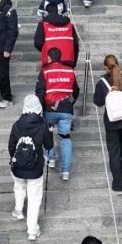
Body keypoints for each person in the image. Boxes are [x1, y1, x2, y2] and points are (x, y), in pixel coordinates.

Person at [8, 94, 55, 240]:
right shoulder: (43, 125)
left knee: (19, 186)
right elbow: (49, 146)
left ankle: (18, 210)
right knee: (34, 198)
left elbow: (11, 146)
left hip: (17, 167)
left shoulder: (16, 125)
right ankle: (32, 230)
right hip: (35, 168)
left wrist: (17, 159)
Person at [92, 54, 122, 194]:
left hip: (112, 121)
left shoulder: (102, 83)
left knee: (113, 152)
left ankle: (117, 185)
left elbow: (98, 102)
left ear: (106, 68)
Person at [36, 48, 78, 181]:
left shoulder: (45, 70)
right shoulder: (70, 70)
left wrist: (40, 109)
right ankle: (65, 171)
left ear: (49, 58)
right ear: (60, 57)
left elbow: (40, 92)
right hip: (66, 110)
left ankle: (51, 158)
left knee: (47, 133)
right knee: (65, 139)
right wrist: (71, 103)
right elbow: (76, 90)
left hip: (50, 109)